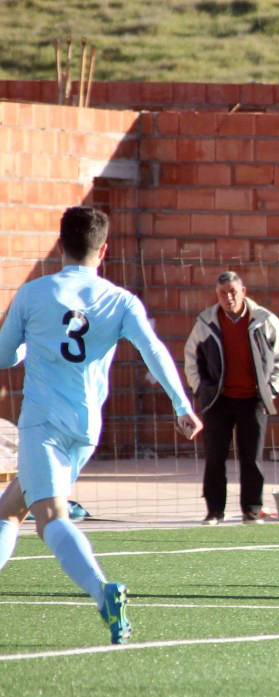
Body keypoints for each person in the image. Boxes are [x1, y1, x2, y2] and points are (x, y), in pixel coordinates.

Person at [0, 206, 203, 644]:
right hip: (86, 429)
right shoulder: (121, 300)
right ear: (104, 249)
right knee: (10, 508)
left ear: (59, 244)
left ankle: (102, 590)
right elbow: (154, 350)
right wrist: (181, 405)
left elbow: (3, 356)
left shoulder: (34, 294)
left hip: (44, 425)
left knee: (48, 517)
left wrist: (23, 351)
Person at [184, 271, 279, 524]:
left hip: (253, 399)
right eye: (223, 293)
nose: (229, 297)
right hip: (217, 400)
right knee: (214, 457)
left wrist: (271, 389)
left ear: (243, 292)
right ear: (217, 295)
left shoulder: (264, 320)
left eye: (233, 292)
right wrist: (200, 388)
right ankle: (214, 511)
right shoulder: (206, 322)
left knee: (251, 457)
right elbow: (190, 357)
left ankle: (251, 509)